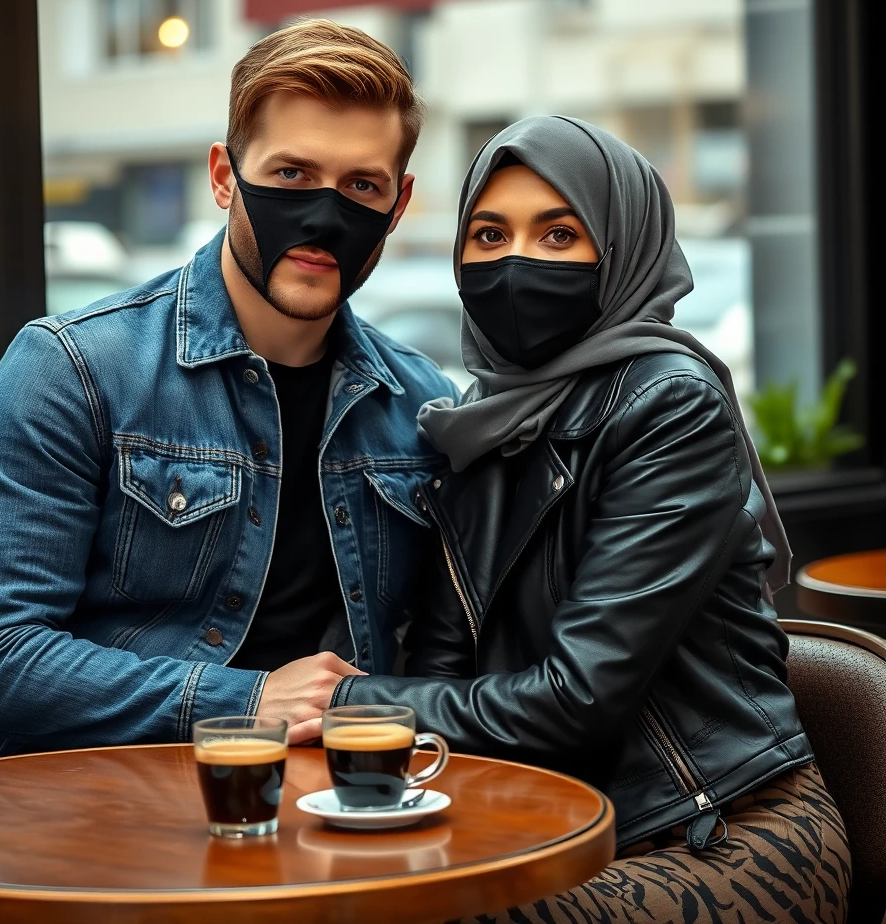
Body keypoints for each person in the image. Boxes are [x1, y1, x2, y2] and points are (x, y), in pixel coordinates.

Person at [332, 116, 851, 921]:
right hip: (540, 822)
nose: (515, 262)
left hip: (719, 833)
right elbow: (441, 676)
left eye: (559, 234)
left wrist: (342, 703)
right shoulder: (477, 426)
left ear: (620, 247)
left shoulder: (667, 403)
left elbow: (577, 700)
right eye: (490, 233)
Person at [0, 19, 457, 766]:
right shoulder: (73, 367)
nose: (323, 214)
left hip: (314, 808)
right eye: (291, 175)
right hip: (66, 807)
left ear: (397, 206)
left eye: (361, 186)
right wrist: (244, 702)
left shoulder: (415, 400)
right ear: (223, 177)